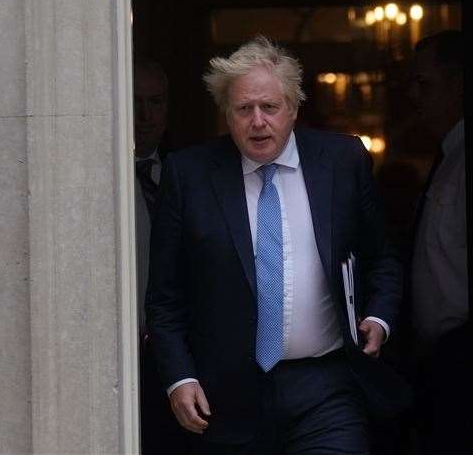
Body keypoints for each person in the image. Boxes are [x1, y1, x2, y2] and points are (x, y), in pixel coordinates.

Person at [145, 36, 410, 454]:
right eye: (243, 109)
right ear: (225, 114)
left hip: (326, 388)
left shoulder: (342, 161)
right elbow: (165, 297)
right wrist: (180, 377)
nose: (257, 121)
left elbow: (383, 257)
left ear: (293, 109)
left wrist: (378, 316)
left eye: (269, 107)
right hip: (225, 394)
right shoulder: (189, 175)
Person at [405, 30, 468, 453]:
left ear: (458, 83)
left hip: (466, 356)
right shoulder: (450, 157)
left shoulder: (470, 162)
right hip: (435, 361)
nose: (414, 97)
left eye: (424, 84)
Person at [133, 59, 191, 454]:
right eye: (134, 101)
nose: (144, 114)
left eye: (155, 101)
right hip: (122, 350)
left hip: (183, 354)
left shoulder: (187, 173)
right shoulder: (93, 175)